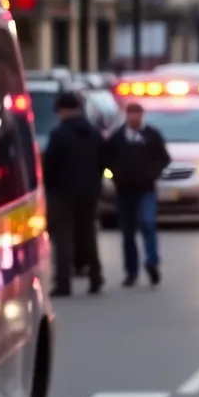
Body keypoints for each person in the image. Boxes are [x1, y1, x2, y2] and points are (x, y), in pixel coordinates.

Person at [42, 91, 105, 296]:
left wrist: (47, 187)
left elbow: (49, 165)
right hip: (89, 192)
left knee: (63, 239)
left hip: (62, 193)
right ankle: (96, 276)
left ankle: (63, 283)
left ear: (61, 110)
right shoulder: (93, 133)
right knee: (88, 234)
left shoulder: (59, 134)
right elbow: (104, 160)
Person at [103, 102, 171, 286]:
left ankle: (151, 262)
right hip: (124, 191)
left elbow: (164, 158)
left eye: (137, 114)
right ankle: (131, 271)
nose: (134, 118)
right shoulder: (117, 138)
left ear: (142, 115)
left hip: (146, 189)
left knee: (148, 223)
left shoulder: (151, 135)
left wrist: (152, 173)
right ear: (126, 116)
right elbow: (107, 160)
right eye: (131, 114)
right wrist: (115, 175)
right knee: (127, 232)